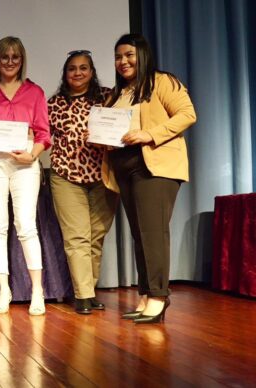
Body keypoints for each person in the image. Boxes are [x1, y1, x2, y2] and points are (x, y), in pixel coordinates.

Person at [104, 33, 196, 324]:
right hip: (125, 167)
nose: (123, 61)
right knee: (140, 234)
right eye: (119, 56)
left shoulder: (162, 81)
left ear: (142, 55)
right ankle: (146, 294)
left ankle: (159, 296)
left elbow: (186, 114)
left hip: (155, 166)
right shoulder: (117, 94)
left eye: (129, 55)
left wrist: (149, 134)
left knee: (153, 232)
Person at [0, 36, 51, 315]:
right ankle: (4, 290)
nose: (10, 62)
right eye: (5, 57)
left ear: (22, 60)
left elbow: (43, 133)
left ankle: (37, 290)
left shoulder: (35, 92)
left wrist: (34, 154)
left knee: (26, 224)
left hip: (25, 161)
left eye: (15, 57)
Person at [48, 51, 118, 314]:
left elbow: (124, 126)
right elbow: (40, 136)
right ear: (65, 74)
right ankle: (83, 296)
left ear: (92, 71)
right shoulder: (53, 104)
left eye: (83, 68)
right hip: (66, 176)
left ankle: (89, 290)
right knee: (77, 236)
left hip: (103, 175)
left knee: (96, 236)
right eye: (72, 69)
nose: (78, 73)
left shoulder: (108, 98)